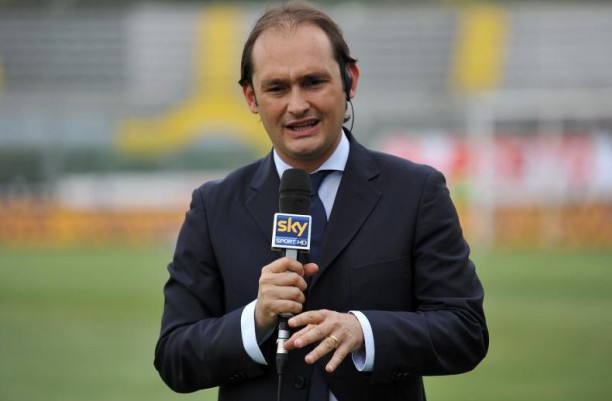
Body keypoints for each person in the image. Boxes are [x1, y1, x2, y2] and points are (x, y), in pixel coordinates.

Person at [154, 1, 488, 400]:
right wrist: (255, 320)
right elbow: (174, 356)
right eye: (277, 88)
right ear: (251, 97)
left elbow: (465, 330)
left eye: (313, 82)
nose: (297, 105)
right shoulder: (214, 207)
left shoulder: (417, 192)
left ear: (350, 81)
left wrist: (364, 331)